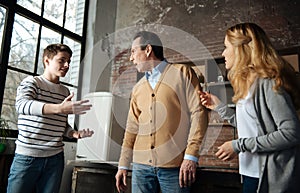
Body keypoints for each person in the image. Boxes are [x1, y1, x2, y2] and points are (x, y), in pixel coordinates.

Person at [199, 23, 300, 193]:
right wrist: (219, 107)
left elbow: (291, 133)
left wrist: (238, 145)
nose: (223, 53)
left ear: (242, 49)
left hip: (270, 178)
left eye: (226, 47)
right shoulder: (246, 85)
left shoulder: (268, 83)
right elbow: (251, 128)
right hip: (249, 173)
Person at [115, 31, 208, 193]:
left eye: (133, 51)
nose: (131, 58)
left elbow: (199, 113)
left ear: (148, 50)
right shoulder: (137, 88)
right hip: (141, 168)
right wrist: (123, 164)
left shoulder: (183, 73)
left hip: (174, 167)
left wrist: (191, 156)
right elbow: (131, 129)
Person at [7, 43, 94, 193]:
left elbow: (60, 123)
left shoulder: (65, 91)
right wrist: (59, 108)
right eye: (62, 60)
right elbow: (22, 105)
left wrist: (73, 133)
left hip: (55, 158)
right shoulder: (32, 82)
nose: (67, 65)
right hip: (27, 157)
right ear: (47, 61)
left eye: (69, 61)